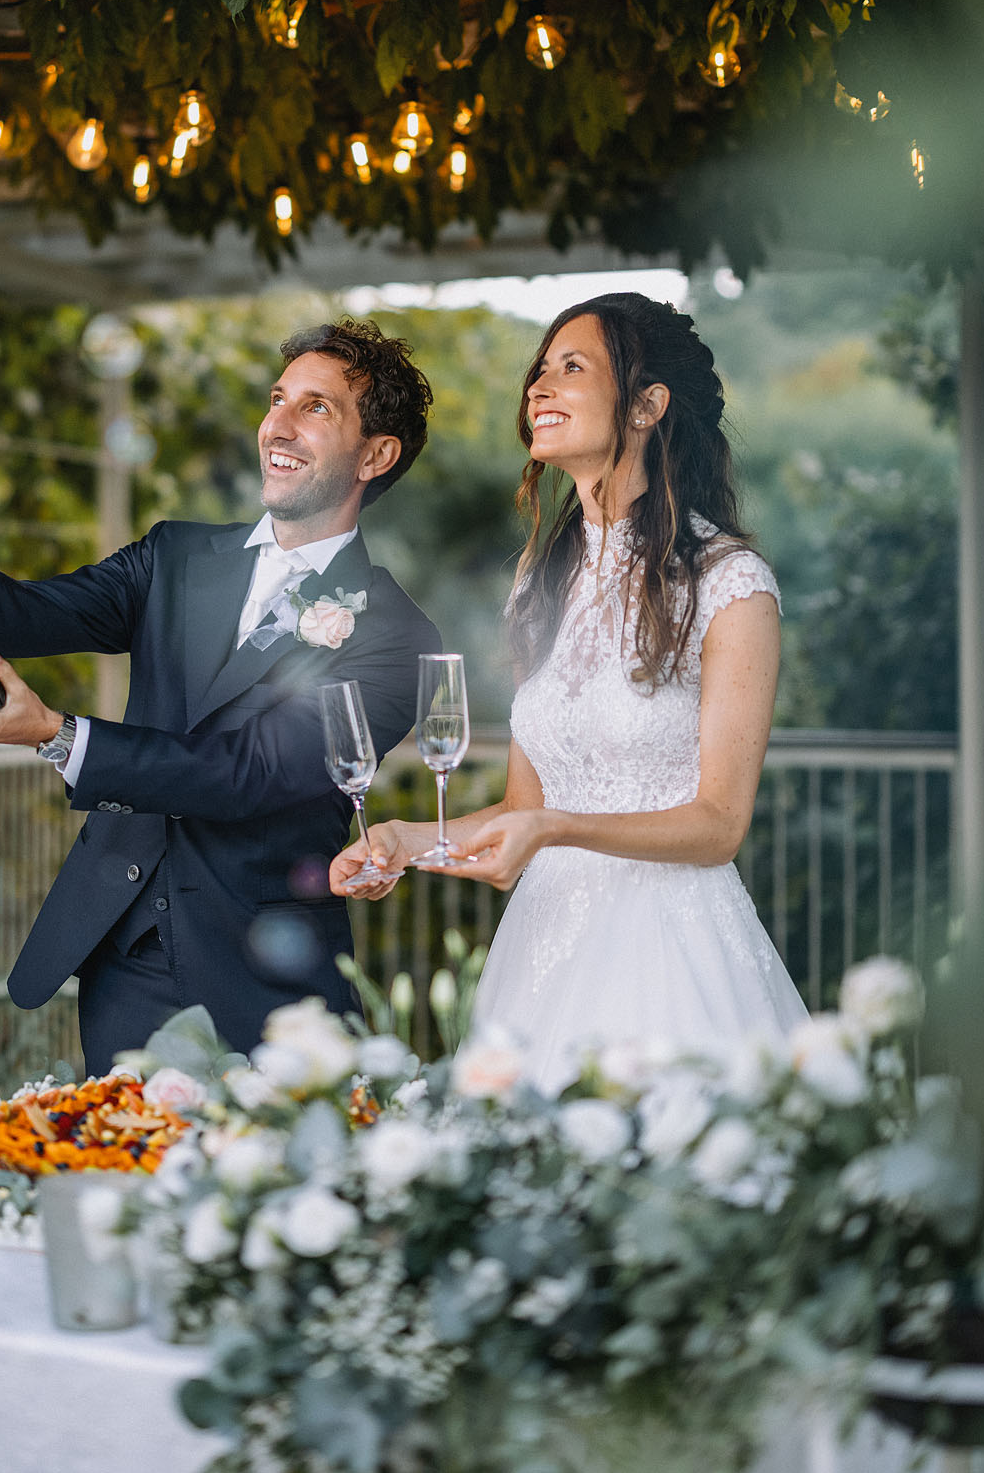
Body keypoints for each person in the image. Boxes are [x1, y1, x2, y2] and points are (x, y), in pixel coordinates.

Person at [0, 318, 440, 1065]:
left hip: (266, 980)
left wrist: (56, 735)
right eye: (276, 399)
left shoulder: (398, 636)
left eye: (316, 407)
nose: (278, 426)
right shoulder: (175, 555)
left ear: (376, 454)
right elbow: (30, 613)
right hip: (122, 957)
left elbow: (247, 773)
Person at [330, 292, 807, 1090]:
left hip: (670, 952)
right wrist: (411, 839)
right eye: (540, 368)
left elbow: (719, 826)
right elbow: (526, 805)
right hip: (543, 944)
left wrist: (555, 828)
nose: (538, 388)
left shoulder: (730, 582)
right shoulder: (538, 581)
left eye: (572, 367)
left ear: (647, 405)